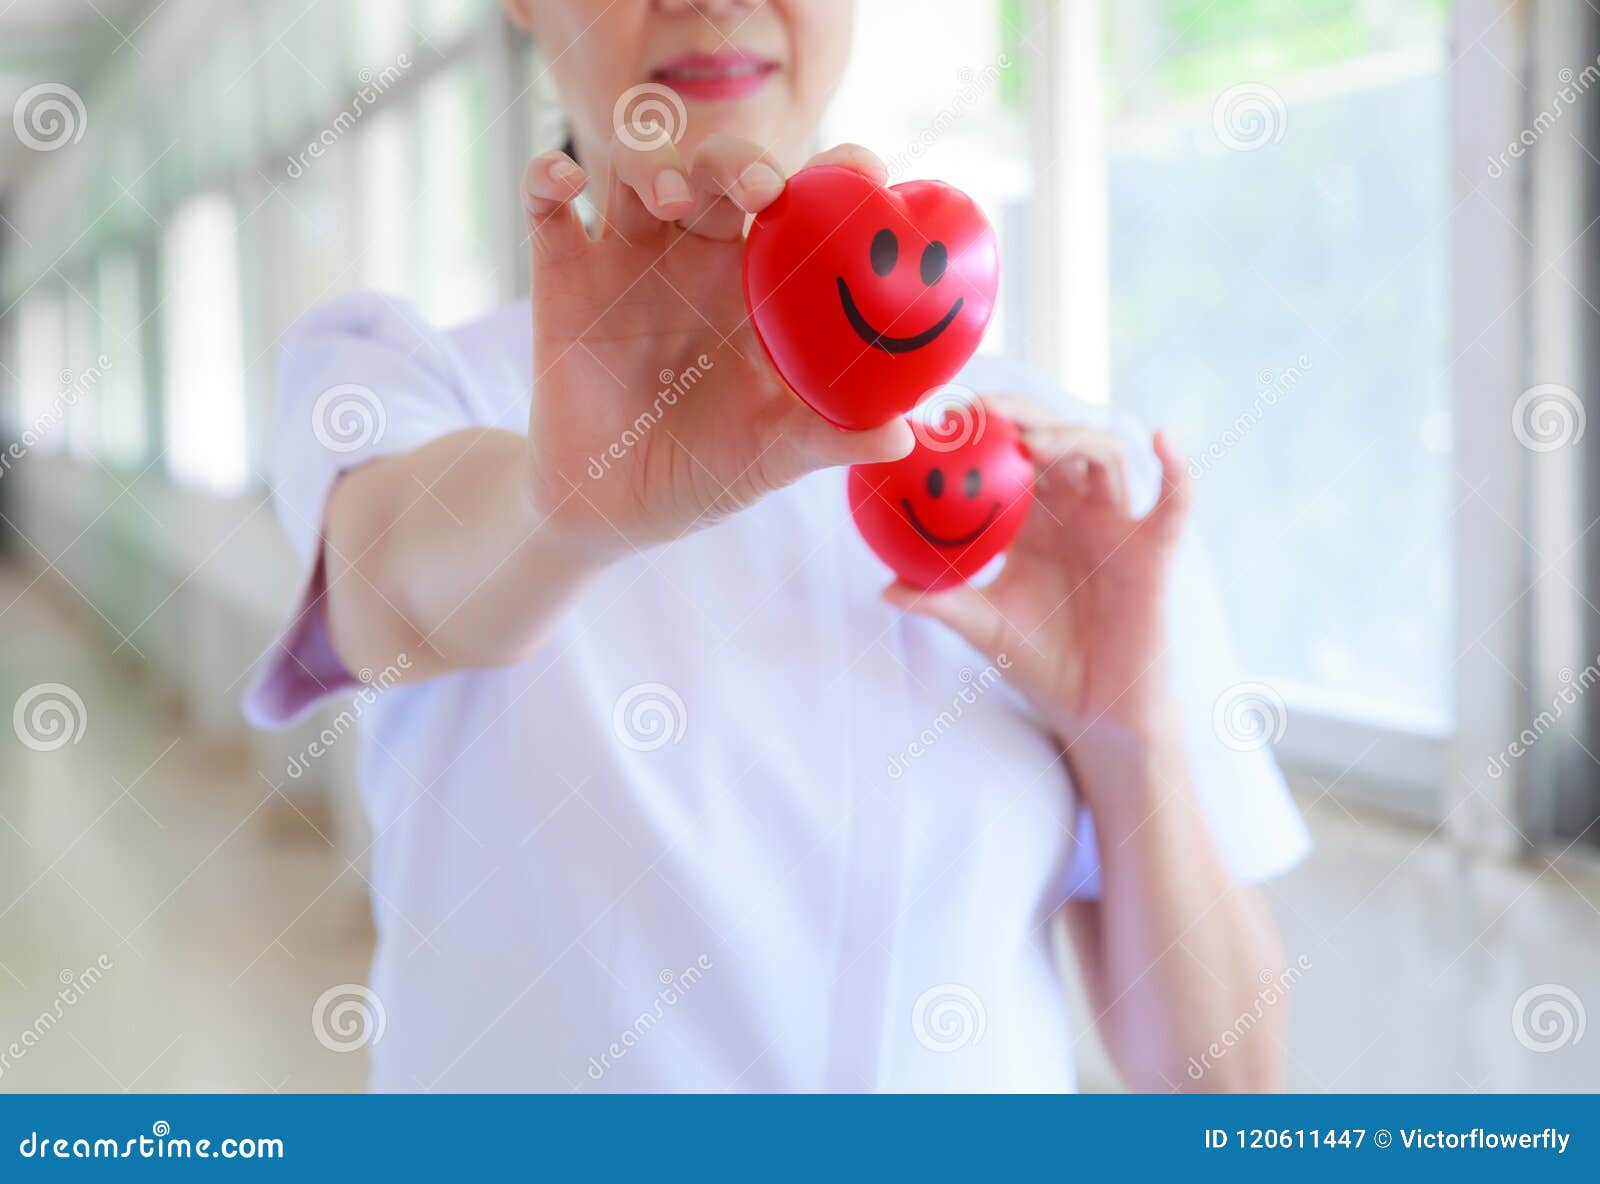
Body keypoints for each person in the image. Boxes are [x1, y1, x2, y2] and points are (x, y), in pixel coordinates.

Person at [246, 0, 1309, 1092]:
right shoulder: (412, 383)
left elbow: (1216, 1085)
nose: (712, 2)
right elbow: (395, 591)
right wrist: (559, 510)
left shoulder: (1067, 483)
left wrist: (1125, 732)